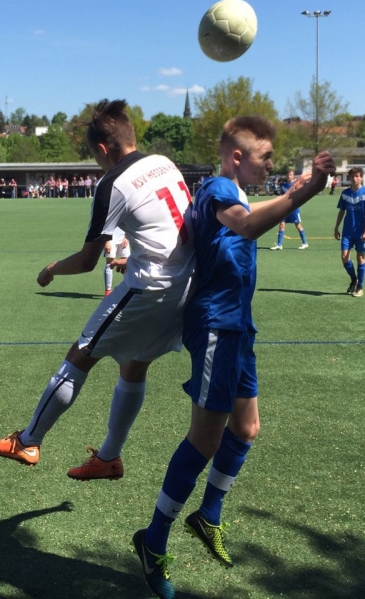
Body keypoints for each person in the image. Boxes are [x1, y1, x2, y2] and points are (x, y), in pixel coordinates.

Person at [133, 117, 334, 599]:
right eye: (266, 157)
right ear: (237, 157)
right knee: (205, 439)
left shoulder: (235, 193)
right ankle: (153, 541)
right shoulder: (219, 188)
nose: (271, 164)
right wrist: (306, 192)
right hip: (216, 327)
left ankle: (208, 515)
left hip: (239, 326)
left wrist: (297, 189)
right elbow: (245, 224)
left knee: (246, 429)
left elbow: (249, 214)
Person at [0, 99, 195, 482]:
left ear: (102, 149)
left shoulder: (112, 183)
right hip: (188, 283)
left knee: (81, 353)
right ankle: (109, 457)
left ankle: (29, 441)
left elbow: (87, 261)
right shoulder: (165, 163)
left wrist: (51, 269)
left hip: (150, 288)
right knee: (134, 365)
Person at [334, 167, 365, 298]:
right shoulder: (345, 193)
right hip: (347, 231)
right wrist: (336, 227)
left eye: (357, 176)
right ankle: (354, 279)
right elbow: (341, 211)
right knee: (344, 256)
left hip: (362, 232)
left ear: (361, 177)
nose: (354, 178)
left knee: (360, 258)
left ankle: (360, 286)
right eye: (352, 176)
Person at [269, 169, 310, 250]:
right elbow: (282, 195)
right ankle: (279, 244)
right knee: (282, 224)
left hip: (294, 208)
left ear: (293, 176)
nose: (288, 176)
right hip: (285, 208)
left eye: (290, 174)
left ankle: (305, 243)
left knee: (298, 225)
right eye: (288, 174)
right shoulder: (283, 184)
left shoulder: (296, 185)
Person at [103, 226, 130, 297]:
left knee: (126, 263)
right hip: (110, 239)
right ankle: (108, 290)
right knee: (110, 263)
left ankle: (127, 288)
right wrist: (106, 241)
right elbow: (104, 224)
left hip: (123, 237)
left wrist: (127, 237)